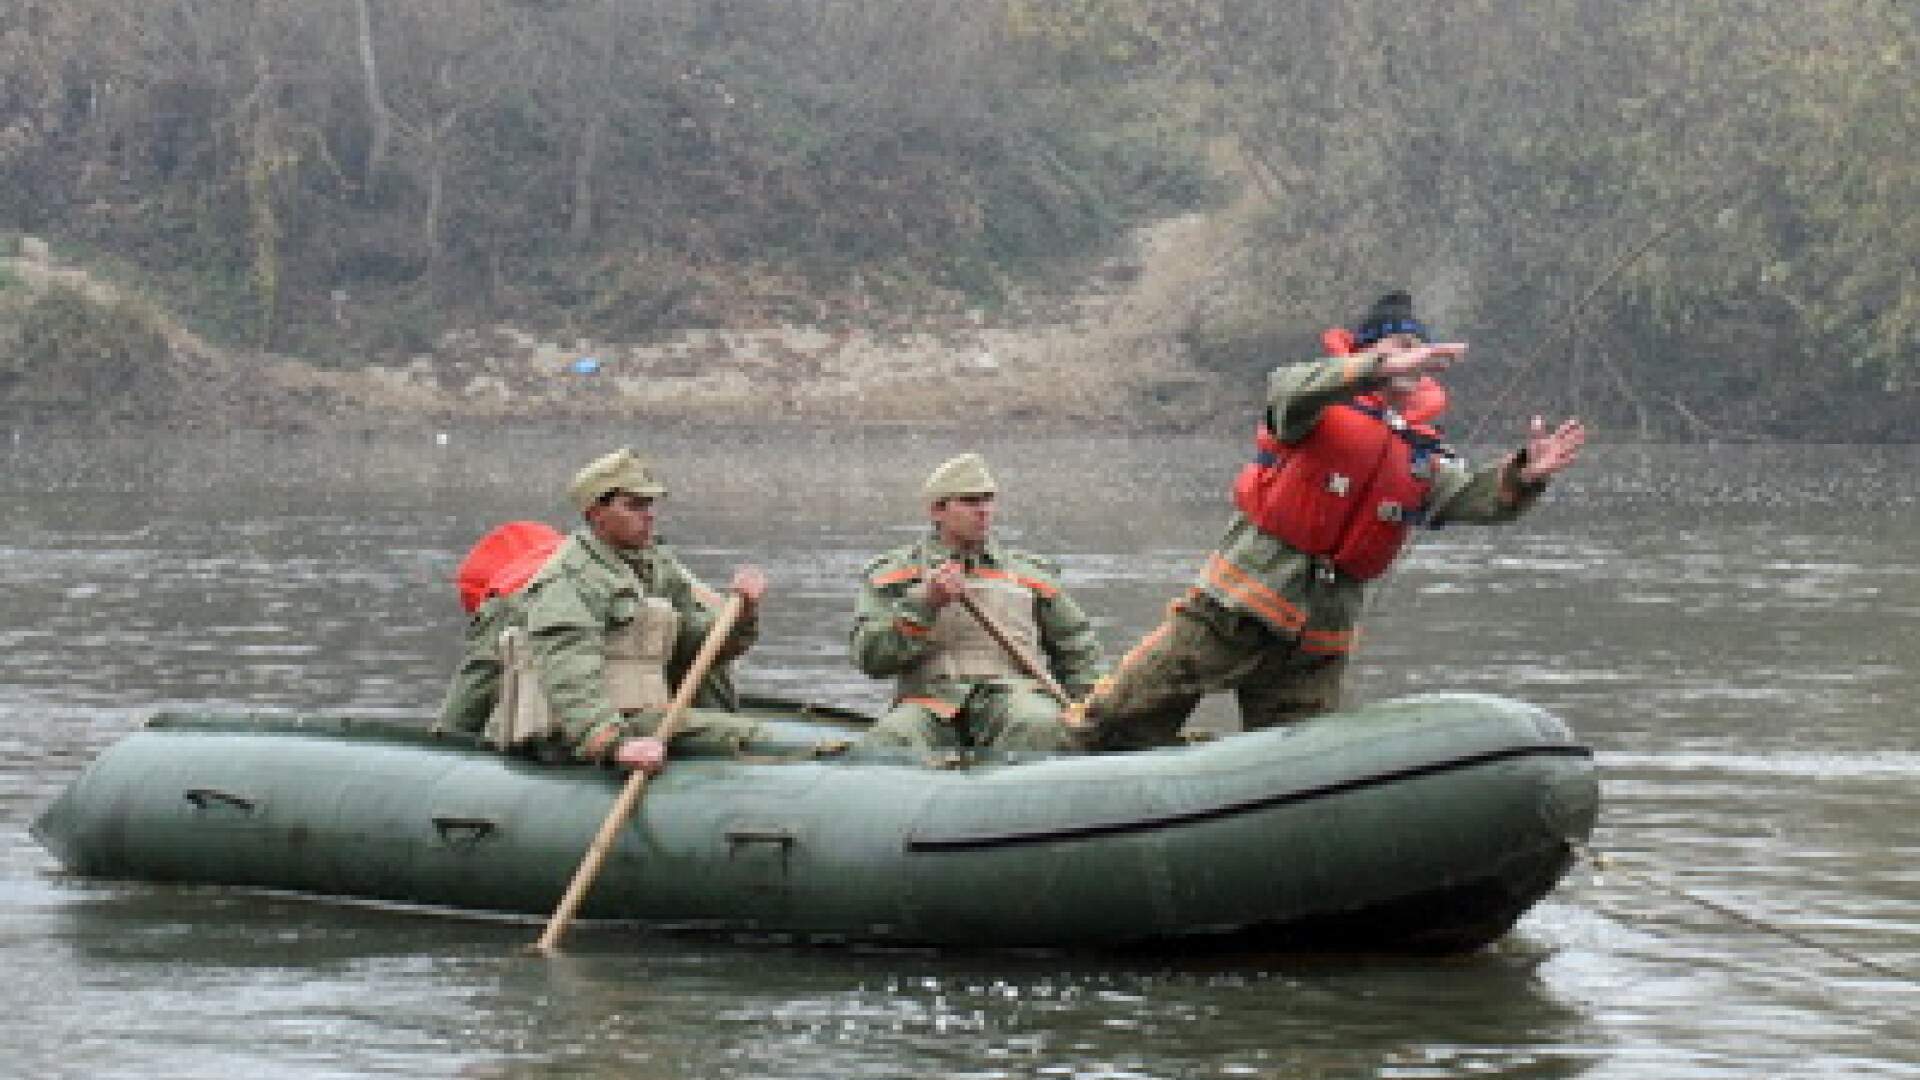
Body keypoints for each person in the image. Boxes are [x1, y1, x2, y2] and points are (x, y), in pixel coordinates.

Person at [1067, 291, 1587, 749]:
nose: (1415, 360)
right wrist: (1373, 368)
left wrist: (1525, 474)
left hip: (1317, 643)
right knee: (1126, 713)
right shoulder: (1314, 408)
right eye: (1400, 347)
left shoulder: (1421, 455)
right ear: (1367, 352)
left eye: (1419, 350)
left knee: (1293, 757)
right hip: (1237, 609)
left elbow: (1475, 497)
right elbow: (1287, 389)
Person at [437, 448, 767, 772]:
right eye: (634, 506)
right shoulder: (570, 579)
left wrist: (743, 615)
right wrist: (612, 743)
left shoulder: (655, 566)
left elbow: (699, 650)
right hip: (579, 732)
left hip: (641, 715)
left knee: (746, 734)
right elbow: (569, 671)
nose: (648, 514)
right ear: (597, 513)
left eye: (649, 505)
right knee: (752, 738)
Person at [852, 453, 1104, 754]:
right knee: (887, 744)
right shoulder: (891, 575)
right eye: (970, 501)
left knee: (1041, 724)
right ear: (937, 510)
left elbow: (1077, 651)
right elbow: (871, 660)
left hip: (1014, 701)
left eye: (988, 500)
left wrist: (1091, 712)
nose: (983, 511)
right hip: (929, 704)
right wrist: (925, 604)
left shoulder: (1031, 574)